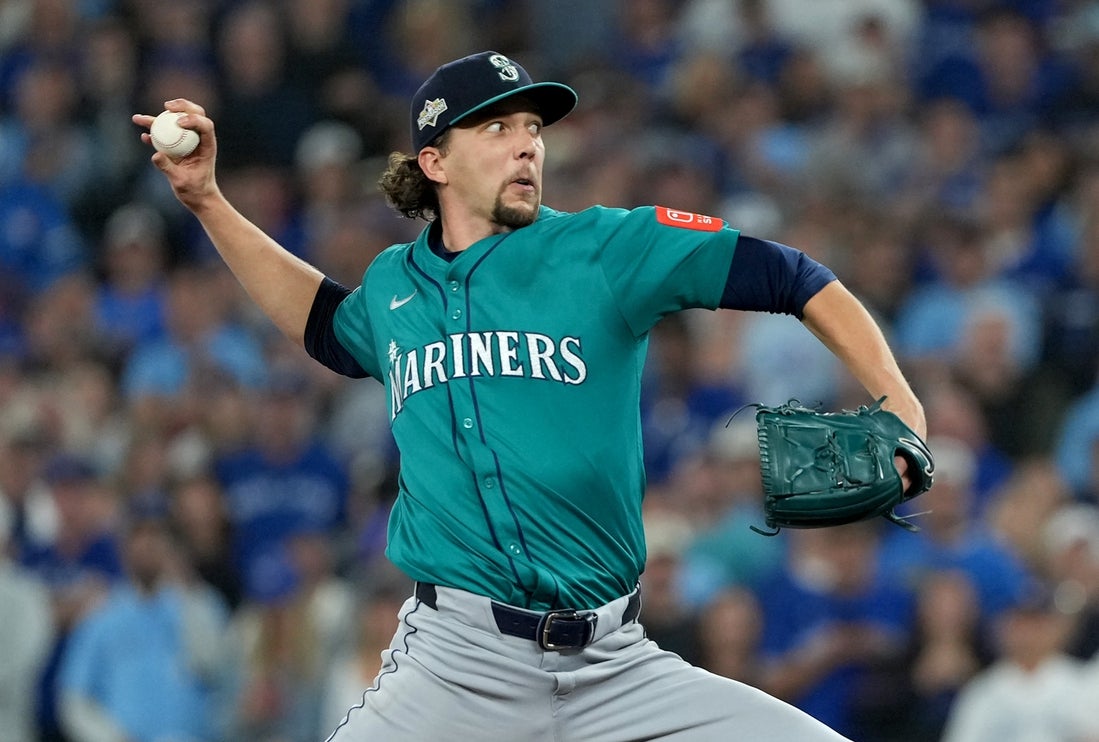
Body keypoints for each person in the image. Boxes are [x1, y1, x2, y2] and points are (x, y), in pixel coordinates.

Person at [133, 50, 927, 741]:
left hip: (616, 666)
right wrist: (207, 201)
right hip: (454, 668)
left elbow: (792, 276)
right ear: (435, 161)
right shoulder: (393, 288)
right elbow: (323, 324)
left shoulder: (604, 248)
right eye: (496, 128)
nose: (526, 145)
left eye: (532, 129)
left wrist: (898, 399)